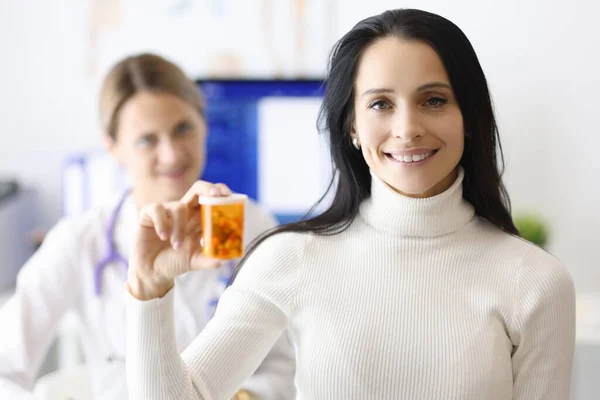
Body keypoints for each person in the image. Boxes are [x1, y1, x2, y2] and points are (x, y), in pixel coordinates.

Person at [125, 9, 576, 400]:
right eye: (380, 104)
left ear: (470, 118)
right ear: (352, 128)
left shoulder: (535, 283)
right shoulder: (289, 257)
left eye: (433, 100)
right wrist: (149, 288)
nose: (407, 128)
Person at [0, 53, 295, 400]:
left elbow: (280, 366)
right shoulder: (80, 241)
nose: (171, 154)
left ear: (204, 124)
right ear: (113, 148)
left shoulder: (251, 226)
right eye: (147, 140)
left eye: (183, 128)